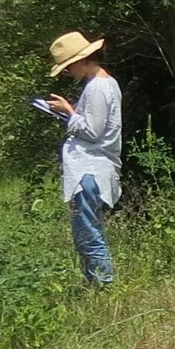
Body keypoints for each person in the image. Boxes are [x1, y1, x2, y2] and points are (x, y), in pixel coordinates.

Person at [44, 30, 121, 286]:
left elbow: (92, 132)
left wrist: (68, 112)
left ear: (80, 60)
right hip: (91, 169)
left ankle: (103, 286)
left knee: (87, 233)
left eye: (67, 68)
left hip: (90, 170)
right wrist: (73, 113)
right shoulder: (99, 85)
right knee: (85, 231)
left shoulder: (98, 86)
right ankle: (96, 284)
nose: (68, 73)